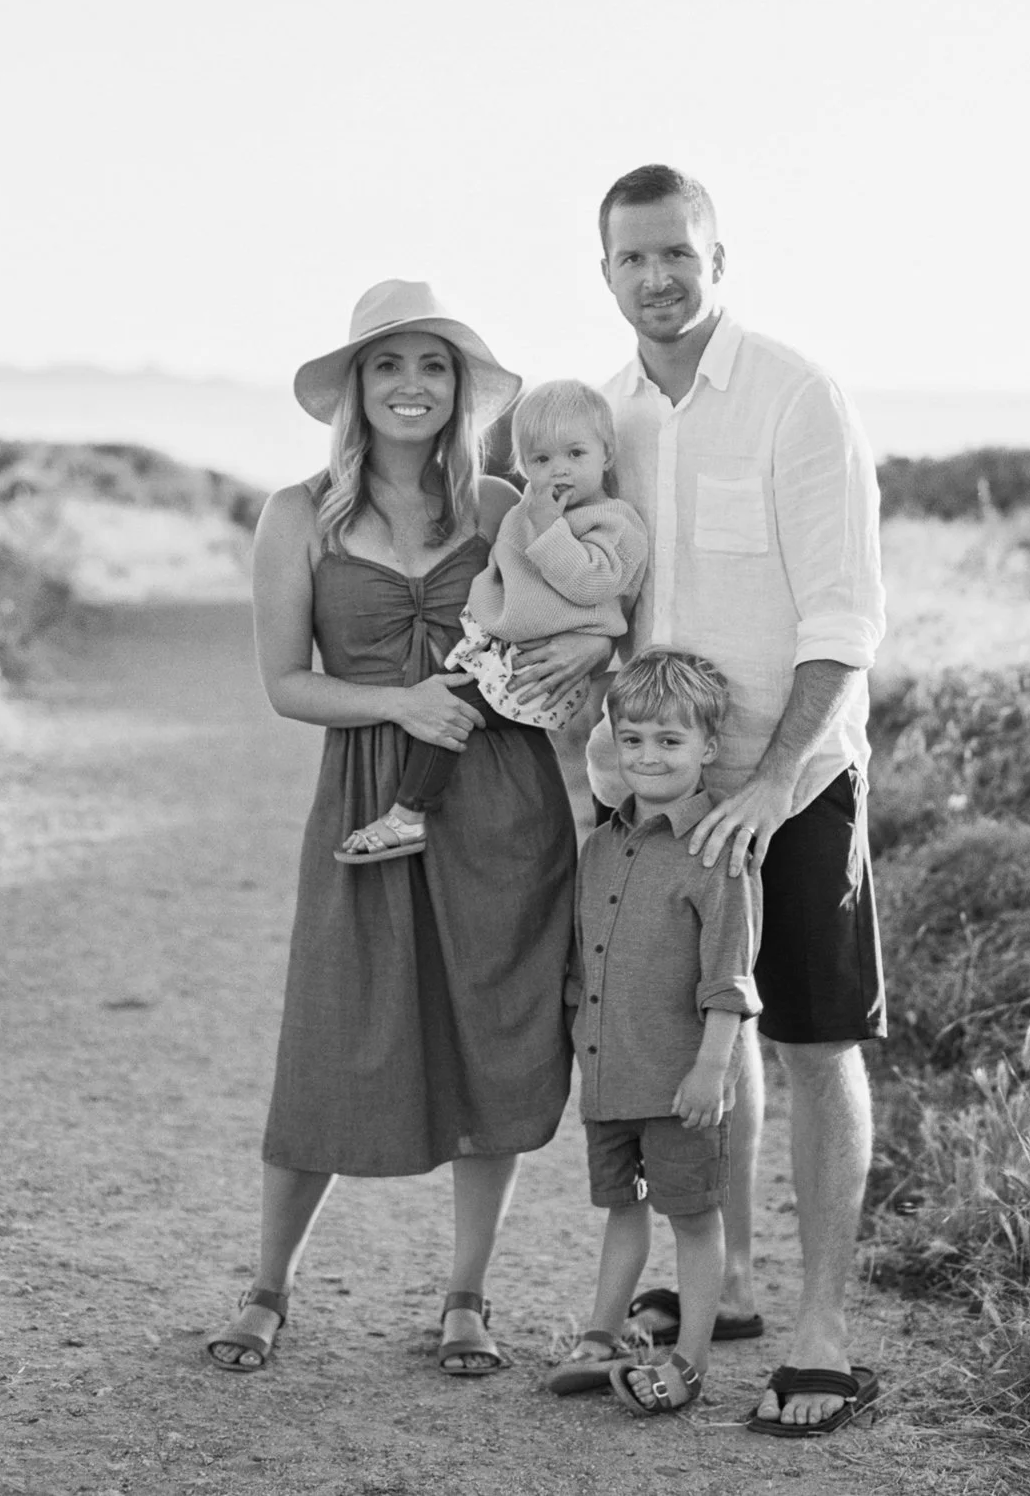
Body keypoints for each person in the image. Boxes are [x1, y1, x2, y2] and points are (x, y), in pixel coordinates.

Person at [204, 280, 577, 1380]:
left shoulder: (506, 508)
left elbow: (574, 631)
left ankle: (467, 1295)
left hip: (502, 799)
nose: (411, 386)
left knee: (494, 1034)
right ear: (356, 389)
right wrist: (399, 702)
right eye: (388, 365)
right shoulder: (296, 513)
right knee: (334, 1029)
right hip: (371, 792)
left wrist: (577, 669)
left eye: (432, 366)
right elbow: (285, 685)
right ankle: (268, 1285)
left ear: (459, 388)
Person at [584, 164, 887, 1439]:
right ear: (604, 271)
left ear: (719, 258)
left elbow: (845, 616)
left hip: (795, 778)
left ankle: (820, 1328)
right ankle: (743, 1284)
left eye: (678, 254)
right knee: (713, 1034)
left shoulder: (795, 396)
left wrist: (772, 781)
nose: (658, 277)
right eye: (633, 258)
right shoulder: (604, 418)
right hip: (666, 790)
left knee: (813, 1044)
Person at [545, 648, 760, 1418]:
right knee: (621, 1210)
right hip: (609, 1077)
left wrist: (712, 1067)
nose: (647, 756)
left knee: (693, 1221)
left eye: (669, 741)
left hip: (678, 1082)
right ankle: (601, 1336)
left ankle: (690, 1361)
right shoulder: (601, 845)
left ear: (707, 746)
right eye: (631, 738)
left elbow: (729, 978)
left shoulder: (719, 851)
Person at [335, 379, 647, 864]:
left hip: (545, 673)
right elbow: (507, 572)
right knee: (449, 700)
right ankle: (412, 810)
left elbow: (591, 584)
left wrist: (548, 530)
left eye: (575, 453)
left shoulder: (613, 521)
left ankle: (407, 814)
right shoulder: (530, 511)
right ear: (523, 466)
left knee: (450, 708)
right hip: (508, 652)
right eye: (541, 460)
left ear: (607, 455)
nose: (559, 469)